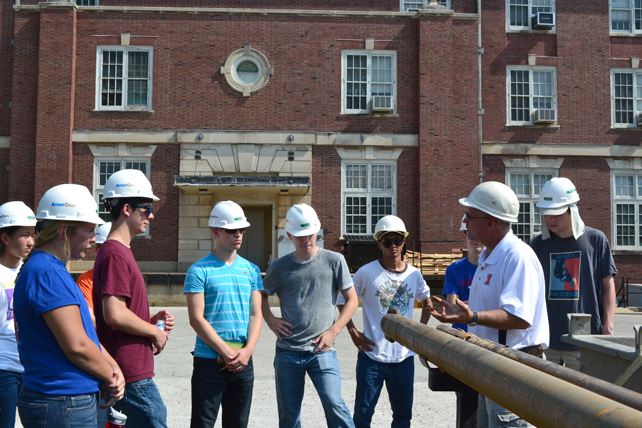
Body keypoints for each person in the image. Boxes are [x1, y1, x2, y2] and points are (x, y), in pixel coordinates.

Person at [430, 181, 549, 428]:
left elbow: (519, 317)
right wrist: (457, 312)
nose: (465, 221)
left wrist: (472, 316)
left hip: (514, 367)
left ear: (490, 222)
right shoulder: (489, 257)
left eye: (469, 216)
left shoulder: (517, 256)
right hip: (494, 364)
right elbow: (488, 308)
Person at [13, 184, 125, 428]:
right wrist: (111, 377)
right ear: (64, 231)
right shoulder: (47, 273)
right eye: (88, 230)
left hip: (61, 399)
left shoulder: (50, 269)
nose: (95, 239)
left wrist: (113, 368)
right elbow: (77, 345)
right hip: (61, 400)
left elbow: (85, 335)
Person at [261, 203, 358, 428]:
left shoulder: (334, 261)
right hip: (288, 352)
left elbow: (352, 299)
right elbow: (259, 296)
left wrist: (333, 331)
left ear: (318, 231)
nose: (306, 241)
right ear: (289, 236)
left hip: (322, 350)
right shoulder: (279, 266)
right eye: (300, 236)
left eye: (310, 235)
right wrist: (271, 320)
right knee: (289, 415)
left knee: (335, 404)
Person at [93, 169, 175, 428]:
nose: (151, 215)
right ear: (126, 208)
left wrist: (150, 320)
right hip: (129, 370)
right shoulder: (115, 254)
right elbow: (114, 314)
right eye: (146, 208)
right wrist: (154, 331)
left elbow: (119, 314)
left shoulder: (118, 252)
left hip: (129, 367)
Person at [336, 215, 432, 428]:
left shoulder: (414, 275)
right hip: (372, 355)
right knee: (362, 416)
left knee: (403, 417)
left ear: (403, 242)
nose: (393, 246)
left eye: (397, 241)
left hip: (403, 358)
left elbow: (428, 303)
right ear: (379, 244)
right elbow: (342, 300)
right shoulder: (367, 273)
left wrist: (419, 333)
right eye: (387, 242)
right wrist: (352, 332)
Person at [184, 201, 263, 428]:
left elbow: (256, 315)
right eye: (231, 230)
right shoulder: (198, 271)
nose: (238, 234)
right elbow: (196, 318)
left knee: (238, 424)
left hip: (243, 360)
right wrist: (226, 351)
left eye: (241, 230)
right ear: (215, 231)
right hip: (209, 362)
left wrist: (247, 351)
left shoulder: (252, 270)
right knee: (202, 423)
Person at [530, 177, 617, 371]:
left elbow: (608, 285)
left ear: (572, 209)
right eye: (546, 213)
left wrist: (608, 325)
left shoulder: (596, 240)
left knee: (581, 397)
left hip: (584, 340)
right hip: (546, 340)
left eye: (557, 213)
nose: (550, 218)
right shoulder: (538, 245)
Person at [0, 202, 36, 428]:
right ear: (5, 238)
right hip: (4, 368)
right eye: (24, 235)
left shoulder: (33, 269)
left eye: (33, 234)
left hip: (32, 366)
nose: (31, 241)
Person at [442, 215, 483, 331]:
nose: (476, 239)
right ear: (464, 238)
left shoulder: (496, 267)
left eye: (479, 234)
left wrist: (464, 304)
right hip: (461, 332)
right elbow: (452, 306)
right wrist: (484, 302)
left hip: (486, 332)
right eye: (471, 234)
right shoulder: (454, 270)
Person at [76, 222, 111, 326]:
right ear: (98, 250)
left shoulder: (128, 278)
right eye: (110, 248)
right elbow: (89, 319)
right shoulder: (86, 280)